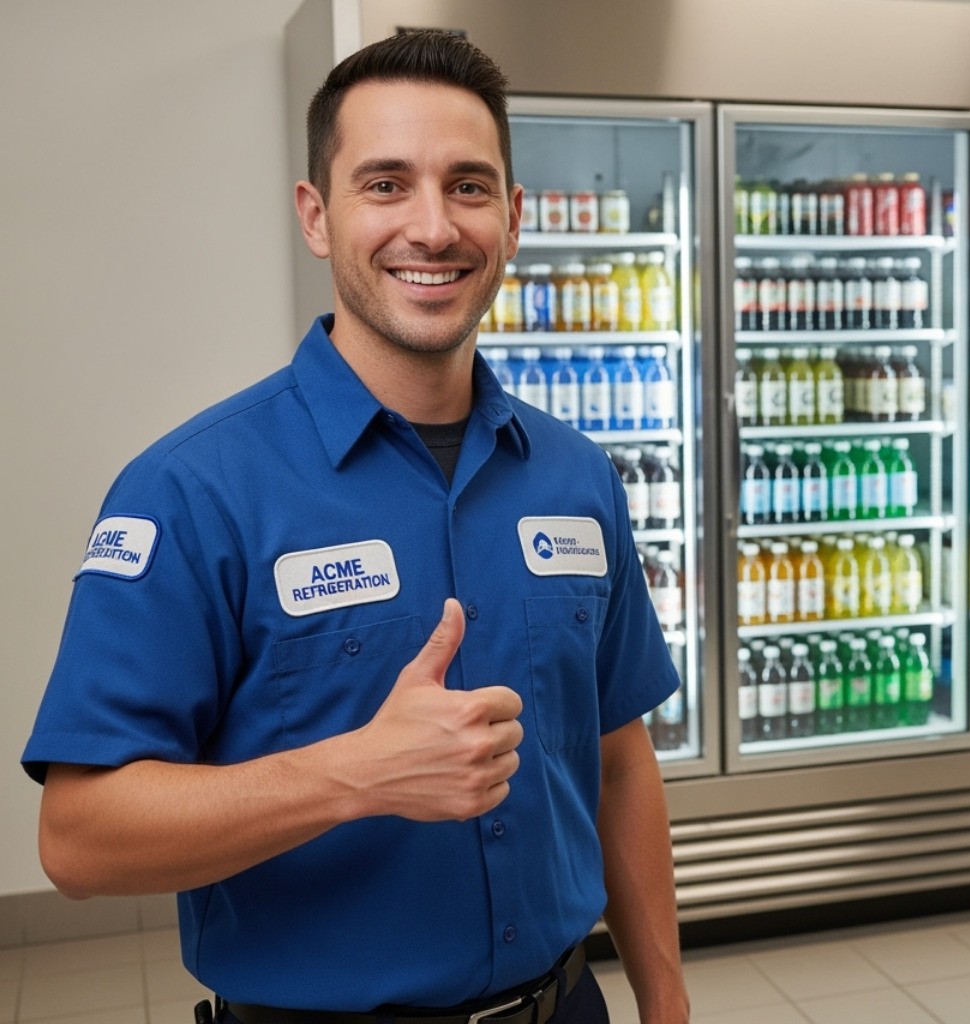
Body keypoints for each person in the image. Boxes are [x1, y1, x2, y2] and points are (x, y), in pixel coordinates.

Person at [21, 30, 689, 1024]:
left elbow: (619, 754)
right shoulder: (192, 491)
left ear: (514, 218)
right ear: (316, 215)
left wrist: (668, 1004)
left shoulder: (574, 476)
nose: (433, 226)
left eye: (468, 187)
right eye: (385, 184)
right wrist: (352, 775)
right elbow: (78, 838)